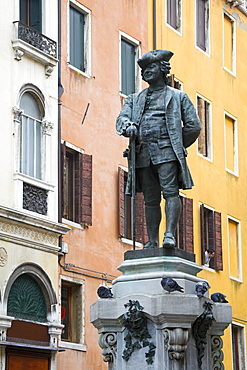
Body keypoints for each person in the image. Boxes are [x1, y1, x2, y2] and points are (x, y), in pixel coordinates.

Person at [116, 50, 201, 249]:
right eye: (144, 70)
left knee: (171, 193)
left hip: (167, 152)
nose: (146, 72)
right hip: (143, 153)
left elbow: (194, 126)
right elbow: (121, 118)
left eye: (151, 68)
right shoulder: (134, 99)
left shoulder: (178, 97)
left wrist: (176, 145)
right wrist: (127, 125)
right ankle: (152, 240)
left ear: (162, 69)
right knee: (150, 199)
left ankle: (169, 234)